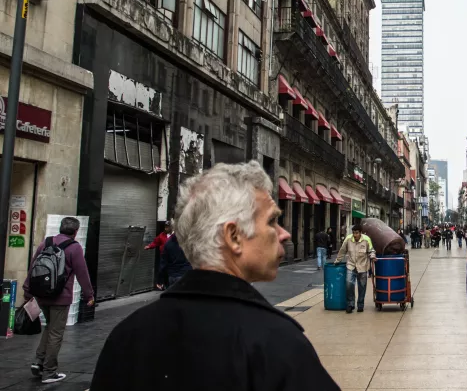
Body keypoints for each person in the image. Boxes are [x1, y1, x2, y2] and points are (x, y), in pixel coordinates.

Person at [91, 161, 338, 390]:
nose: (283, 233)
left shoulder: (127, 336)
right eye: (272, 221)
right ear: (234, 237)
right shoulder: (274, 342)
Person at [23, 217, 94, 384]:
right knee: (56, 333)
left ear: (61, 228)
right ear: (75, 232)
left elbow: (33, 266)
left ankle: (38, 362)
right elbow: (82, 273)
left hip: (41, 295)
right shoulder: (74, 247)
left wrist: (27, 290)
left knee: (49, 327)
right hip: (60, 297)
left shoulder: (46, 242)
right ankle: (49, 372)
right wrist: (89, 295)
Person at [335, 224, 376, 313]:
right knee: (349, 284)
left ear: (360, 233)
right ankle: (350, 304)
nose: (355, 235)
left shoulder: (366, 239)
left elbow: (371, 250)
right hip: (351, 265)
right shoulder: (348, 239)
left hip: (363, 266)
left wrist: (372, 256)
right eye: (353, 233)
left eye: (357, 233)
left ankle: (360, 305)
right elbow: (342, 251)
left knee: (362, 287)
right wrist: (337, 261)